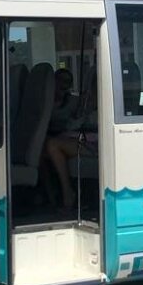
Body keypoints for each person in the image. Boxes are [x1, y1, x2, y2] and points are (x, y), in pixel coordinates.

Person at [44, 68, 97, 211]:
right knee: (42, 152)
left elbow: (86, 124)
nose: (64, 84)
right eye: (60, 80)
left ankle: (68, 194)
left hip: (94, 143)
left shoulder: (96, 102)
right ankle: (52, 198)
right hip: (76, 137)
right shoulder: (46, 100)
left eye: (68, 82)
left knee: (52, 145)